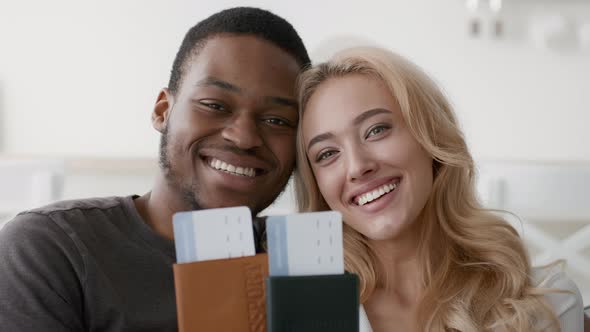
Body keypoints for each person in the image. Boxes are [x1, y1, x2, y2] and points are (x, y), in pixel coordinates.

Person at [0, 7, 310, 331]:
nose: (245, 137)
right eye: (214, 105)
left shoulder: (312, 261)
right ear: (163, 110)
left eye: (277, 120)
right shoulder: (50, 249)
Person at [294, 46, 584, 331]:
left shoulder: (546, 304)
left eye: (376, 130)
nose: (357, 167)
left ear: (430, 137)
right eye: (327, 154)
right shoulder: (299, 313)